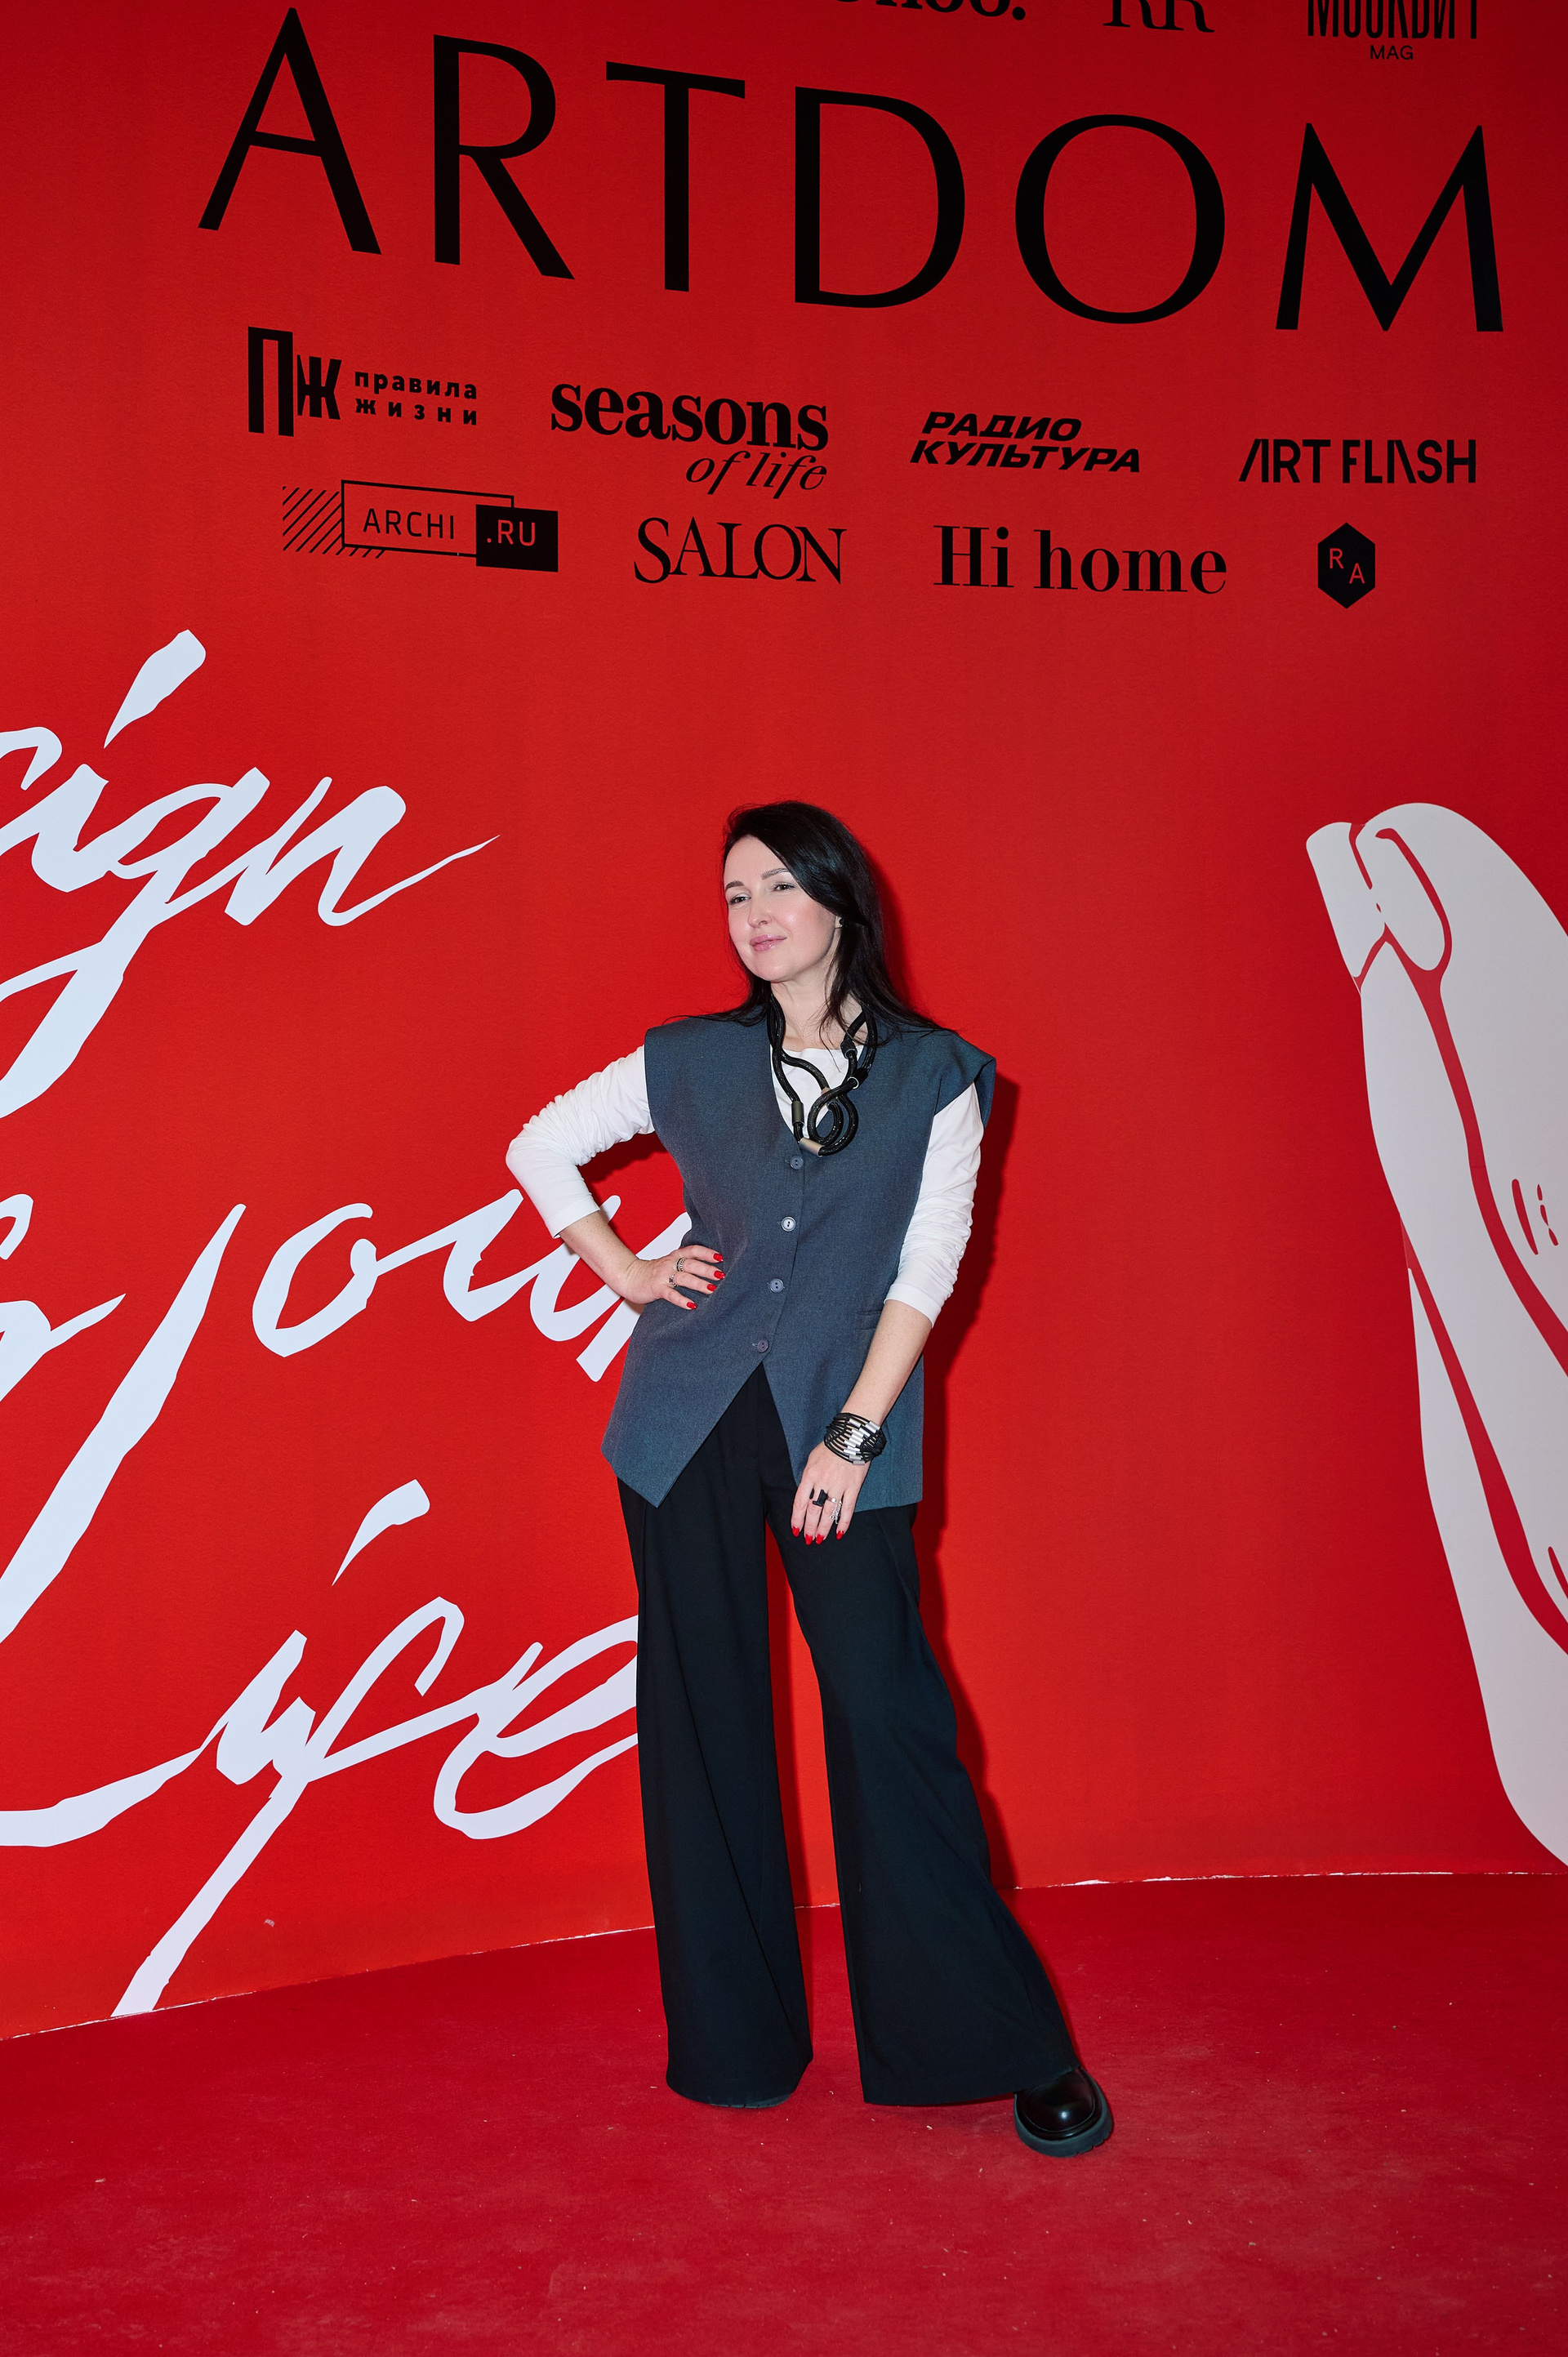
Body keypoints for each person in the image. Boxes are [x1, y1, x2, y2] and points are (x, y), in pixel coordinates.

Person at [506, 800, 1111, 2157]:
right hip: (684, 1426)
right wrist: (630, 1270)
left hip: (844, 1428)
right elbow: (538, 1144)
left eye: (780, 885)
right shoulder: (691, 1057)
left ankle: (997, 2043)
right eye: (735, 895)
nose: (756, 913)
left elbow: (927, 1269)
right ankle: (736, 2045)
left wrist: (853, 1435)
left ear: (841, 900)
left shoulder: (937, 1075)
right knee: (703, 1721)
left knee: (889, 1720)